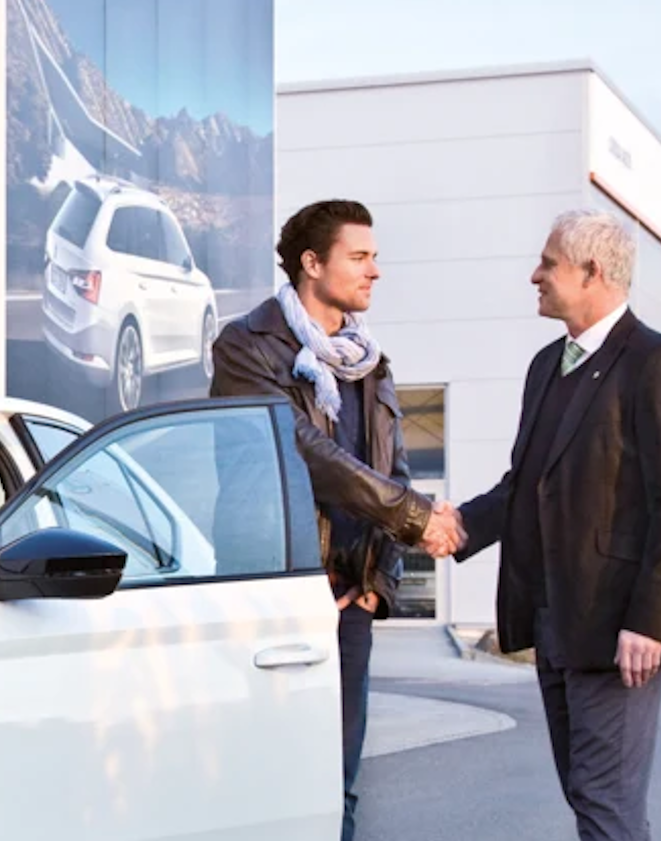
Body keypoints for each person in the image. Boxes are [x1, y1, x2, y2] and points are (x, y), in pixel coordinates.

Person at [210, 199, 464, 840]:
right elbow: (301, 449)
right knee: (268, 784)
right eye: (360, 256)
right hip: (274, 596)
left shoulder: (370, 361)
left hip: (348, 602)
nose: (375, 270)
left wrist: (377, 585)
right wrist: (414, 518)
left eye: (375, 257)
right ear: (312, 263)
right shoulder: (245, 346)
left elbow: (395, 469)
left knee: (337, 787)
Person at [453, 208, 661, 841]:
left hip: (619, 631)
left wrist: (651, 620)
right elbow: (525, 485)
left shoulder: (658, 364)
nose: (533, 276)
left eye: (547, 263)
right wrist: (451, 527)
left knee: (604, 804)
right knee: (592, 798)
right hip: (555, 622)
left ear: (592, 272)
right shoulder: (546, 366)